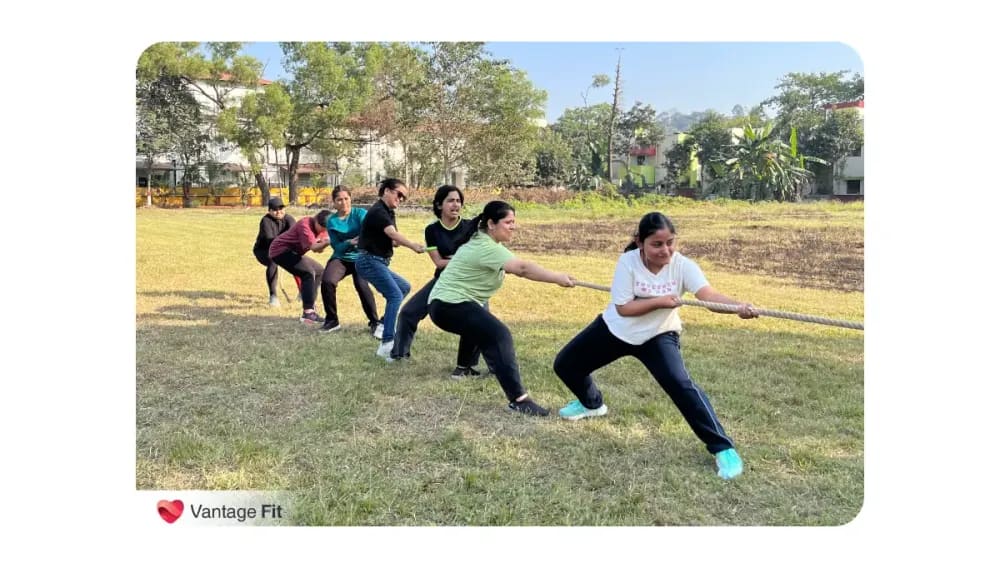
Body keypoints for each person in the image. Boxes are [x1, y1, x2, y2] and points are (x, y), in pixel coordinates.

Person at [552, 212, 759, 480]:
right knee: (566, 365)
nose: (666, 250)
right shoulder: (628, 262)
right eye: (657, 245)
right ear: (640, 242)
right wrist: (659, 301)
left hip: (658, 335)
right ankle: (592, 404)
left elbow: (708, 297)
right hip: (616, 329)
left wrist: (737, 307)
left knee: (680, 385)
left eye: (670, 242)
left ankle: (723, 448)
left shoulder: (683, 265)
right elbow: (625, 308)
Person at [428, 200, 575, 416]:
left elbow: (517, 266)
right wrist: (557, 277)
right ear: (491, 224)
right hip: (448, 305)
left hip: (449, 304)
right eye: (509, 222)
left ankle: (463, 368)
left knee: (480, 323)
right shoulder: (484, 246)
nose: (513, 226)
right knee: (499, 335)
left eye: (514, 222)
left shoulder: (486, 243)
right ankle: (519, 400)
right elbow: (523, 268)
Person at [389, 185, 486, 378]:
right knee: (408, 313)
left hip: (469, 283)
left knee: (482, 321)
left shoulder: (471, 227)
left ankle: (467, 366)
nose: (455, 204)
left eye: (458, 201)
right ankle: (400, 354)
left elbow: (476, 259)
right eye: (451, 200)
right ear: (439, 204)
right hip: (442, 281)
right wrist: (459, 259)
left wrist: (456, 260)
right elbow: (439, 262)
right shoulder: (432, 230)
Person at [355, 178, 426, 359]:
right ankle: (387, 343)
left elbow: (393, 239)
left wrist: (395, 242)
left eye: (404, 197)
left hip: (378, 261)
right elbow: (393, 233)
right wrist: (413, 245)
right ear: (386, 191)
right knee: (394, 295)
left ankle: (382, 324)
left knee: (403, 287)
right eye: (399, 194)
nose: (401, 199)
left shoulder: (388, 212)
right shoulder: (378, 210)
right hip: (369, 260)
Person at [318, 186, 382, 334]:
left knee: (361, 285)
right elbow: (337, 247)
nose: (343, 202)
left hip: (362, 257)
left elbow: (370, 233)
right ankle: (332, 321)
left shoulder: (360, 214)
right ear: (334, 202)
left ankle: (374, 322)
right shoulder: (332, 221)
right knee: (327, 281)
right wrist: (349, 243)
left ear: (350, 199)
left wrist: (361, 242)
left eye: (346, 198)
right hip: (342, 258)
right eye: (339, 199)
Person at [268, 209, 332, 324]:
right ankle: (308, 313)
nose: (323, 230)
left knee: (319, 271)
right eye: (322, 226)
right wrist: (327, 242)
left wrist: (325, 243)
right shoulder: (305, 224)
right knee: (307, 273)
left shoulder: (323, 229)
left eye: (326, 228)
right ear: (316, 220)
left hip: (293, 252)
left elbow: (319, 250)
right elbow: (313, 247)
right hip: (280, 251)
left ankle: (311, 307)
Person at [252, 197, 299, 306]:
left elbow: (295, 235)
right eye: (275, 209)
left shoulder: (289, 219)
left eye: (281, 208)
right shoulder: (265, 221)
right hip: (264, 250)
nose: (279, 212)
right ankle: (273, 296)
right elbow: (270, 240)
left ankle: (303, 293)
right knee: (273, 261)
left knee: (299, 262)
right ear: (269, 211)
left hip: (284, 249)